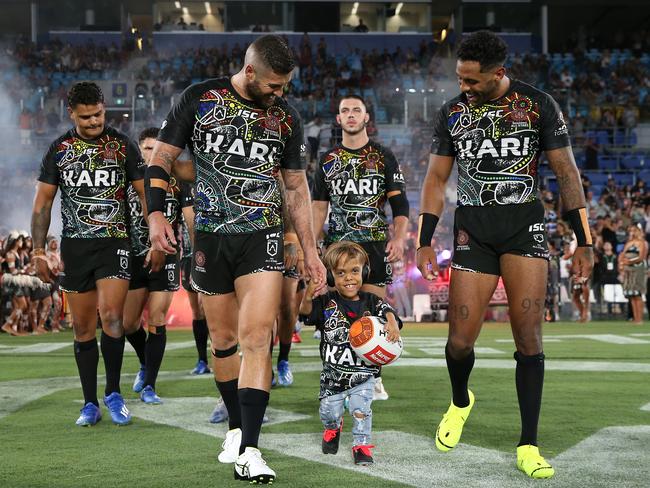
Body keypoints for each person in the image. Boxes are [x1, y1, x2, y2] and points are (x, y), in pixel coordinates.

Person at [145, 35, 326, 484]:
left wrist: (309, 250)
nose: (279, 93)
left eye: (284, 86)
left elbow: (296, 189)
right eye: (273, 85)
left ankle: (250, 448)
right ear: (250, 72)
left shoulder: (286, 117)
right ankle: (234, 425)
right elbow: (160, 162)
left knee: (256, 337)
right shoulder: (200, 99)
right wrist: (154, 218)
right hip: (210, 238)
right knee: (222, 342)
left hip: (260, 238)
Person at [416, 31, 593, 479]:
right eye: (460, 78)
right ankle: (460, 401)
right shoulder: (453, 112)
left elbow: (566, 172)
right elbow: (436, 180)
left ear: (499, 73)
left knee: (529, 338)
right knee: (458, 342)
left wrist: (584, 240)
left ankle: (528, 443)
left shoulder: (538, 105)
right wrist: (424, 239)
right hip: (473, 232)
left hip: (523, 229)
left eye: (472, 81)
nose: (464, 88)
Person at [31, 81, 145, 426]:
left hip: (115, 243)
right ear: (72, 114)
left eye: (97, 114)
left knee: (112, 318)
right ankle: (89, 403)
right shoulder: (59, 149)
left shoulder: (123, 146)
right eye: (85, 117)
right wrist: (38, 251)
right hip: (76, 246)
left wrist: (152, 234)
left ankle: (113, 393)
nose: (94, 122)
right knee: (82, 327)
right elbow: (42, 205)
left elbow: (144, 194)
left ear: (104, 107)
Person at [312, 94, 409, 400]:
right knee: (335, 317)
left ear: (367, 118)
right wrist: (312, 244)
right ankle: (336, 376)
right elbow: (318, 208)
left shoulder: (384, 156)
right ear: (338, 120)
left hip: (376, 245)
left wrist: (399, 237)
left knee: (375, 314)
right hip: (337, 248)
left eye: (357, 110)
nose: (351, 114)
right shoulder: (327, 160)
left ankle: (374, 378)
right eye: (345, 111)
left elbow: (400, 203)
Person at [298, 241, 401, 465]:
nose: (349, 278)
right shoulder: (326, 302)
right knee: (329, 413)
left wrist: (392, 322)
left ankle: (361, 446)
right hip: (333, 377)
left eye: (355, 271)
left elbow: (389, 312)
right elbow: (305, 313)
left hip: (363, 375)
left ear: (364, 271)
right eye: (341, 273)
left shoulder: (372, 302)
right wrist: (308, 293)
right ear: (332, 277)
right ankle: (333, 428)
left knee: (361, 410)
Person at [123, 127, 194, 404]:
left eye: (156, 148)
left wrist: (198, 254)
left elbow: (189, 219)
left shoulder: (176, 181)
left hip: (167, 256)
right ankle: (145, 363)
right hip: (132, 256)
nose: (152, 153)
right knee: (129, 324)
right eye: (147, 148)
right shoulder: (129, 179)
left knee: (156, 319)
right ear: (139, 150)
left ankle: (150, 384)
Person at [619, 225, 647, 324]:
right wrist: (622, 265)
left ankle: (640, 319)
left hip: (638, 269)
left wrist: (629, 262)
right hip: (628, 271)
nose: (632, 232)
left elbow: (642, 257)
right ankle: (635, 318)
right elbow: (622, 255)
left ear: (638, 231)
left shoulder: (642, 243)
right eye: (630, 230)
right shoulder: (628, 243)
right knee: (631, 294)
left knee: (637, 294)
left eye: (634, 230)